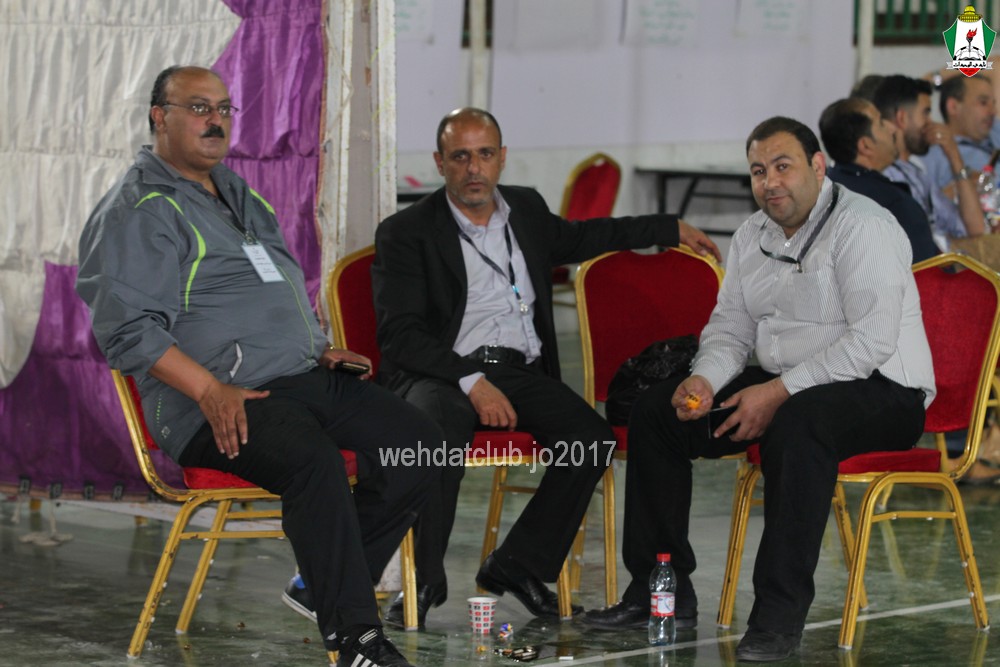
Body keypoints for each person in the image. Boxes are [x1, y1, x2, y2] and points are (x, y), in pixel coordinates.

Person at [76, 65, 442, 667]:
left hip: (299, 375)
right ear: (159, 117)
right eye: (198, 107)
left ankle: (322, 584)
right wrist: (210, 390)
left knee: (420, 446)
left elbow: (277, 286)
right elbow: (127, 332)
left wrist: (317, 347)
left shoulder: (236, 192)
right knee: (312, 461)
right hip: (207, 402)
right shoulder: (139, 210)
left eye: (223, 108)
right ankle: (357, 637)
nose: (215, 120)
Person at [582, 116, 935, 663]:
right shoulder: (752, 234)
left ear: (817, 166)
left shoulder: (864, 226)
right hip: (789, 382)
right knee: (658, 411)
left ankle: (777, 616)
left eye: (782, 167)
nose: (770, 182)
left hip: (884, 389)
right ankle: (661, 589)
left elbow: (869, 343)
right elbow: (730, 331)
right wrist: (703, 379)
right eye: (758, 171)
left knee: (798, 424)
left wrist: (777, 393)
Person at [370, 107, 721, 628]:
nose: (473, 168)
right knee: (436, 434)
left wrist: (668, 227)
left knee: (591, 440)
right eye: (460, 156)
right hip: (444, 371)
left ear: (502, 158)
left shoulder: (527, 210)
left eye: (484, 154)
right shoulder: (407, 231)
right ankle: (423, 581)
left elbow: (588, 236)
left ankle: (518, 565)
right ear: (440, 163)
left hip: (519, 372)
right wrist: (472, 381)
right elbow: (400, 335)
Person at [819, 97, 941, 262]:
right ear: (866, 146)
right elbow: (928, 271)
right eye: (881, 124)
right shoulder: (894, 204)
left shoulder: (820, 192)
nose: (892, 128)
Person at [873, 74, 986, 248]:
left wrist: (954, 156)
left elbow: (974, 229)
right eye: (925, 113)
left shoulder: (916, 172)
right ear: (902, 118)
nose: (930, 123)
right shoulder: (885, 176)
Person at [922, 75, 1000, 190]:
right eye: (983, 103)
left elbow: (996, 68)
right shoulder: (935, 156)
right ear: (953, 107)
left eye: (993, 103)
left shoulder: (994, 132)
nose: (993, 111)